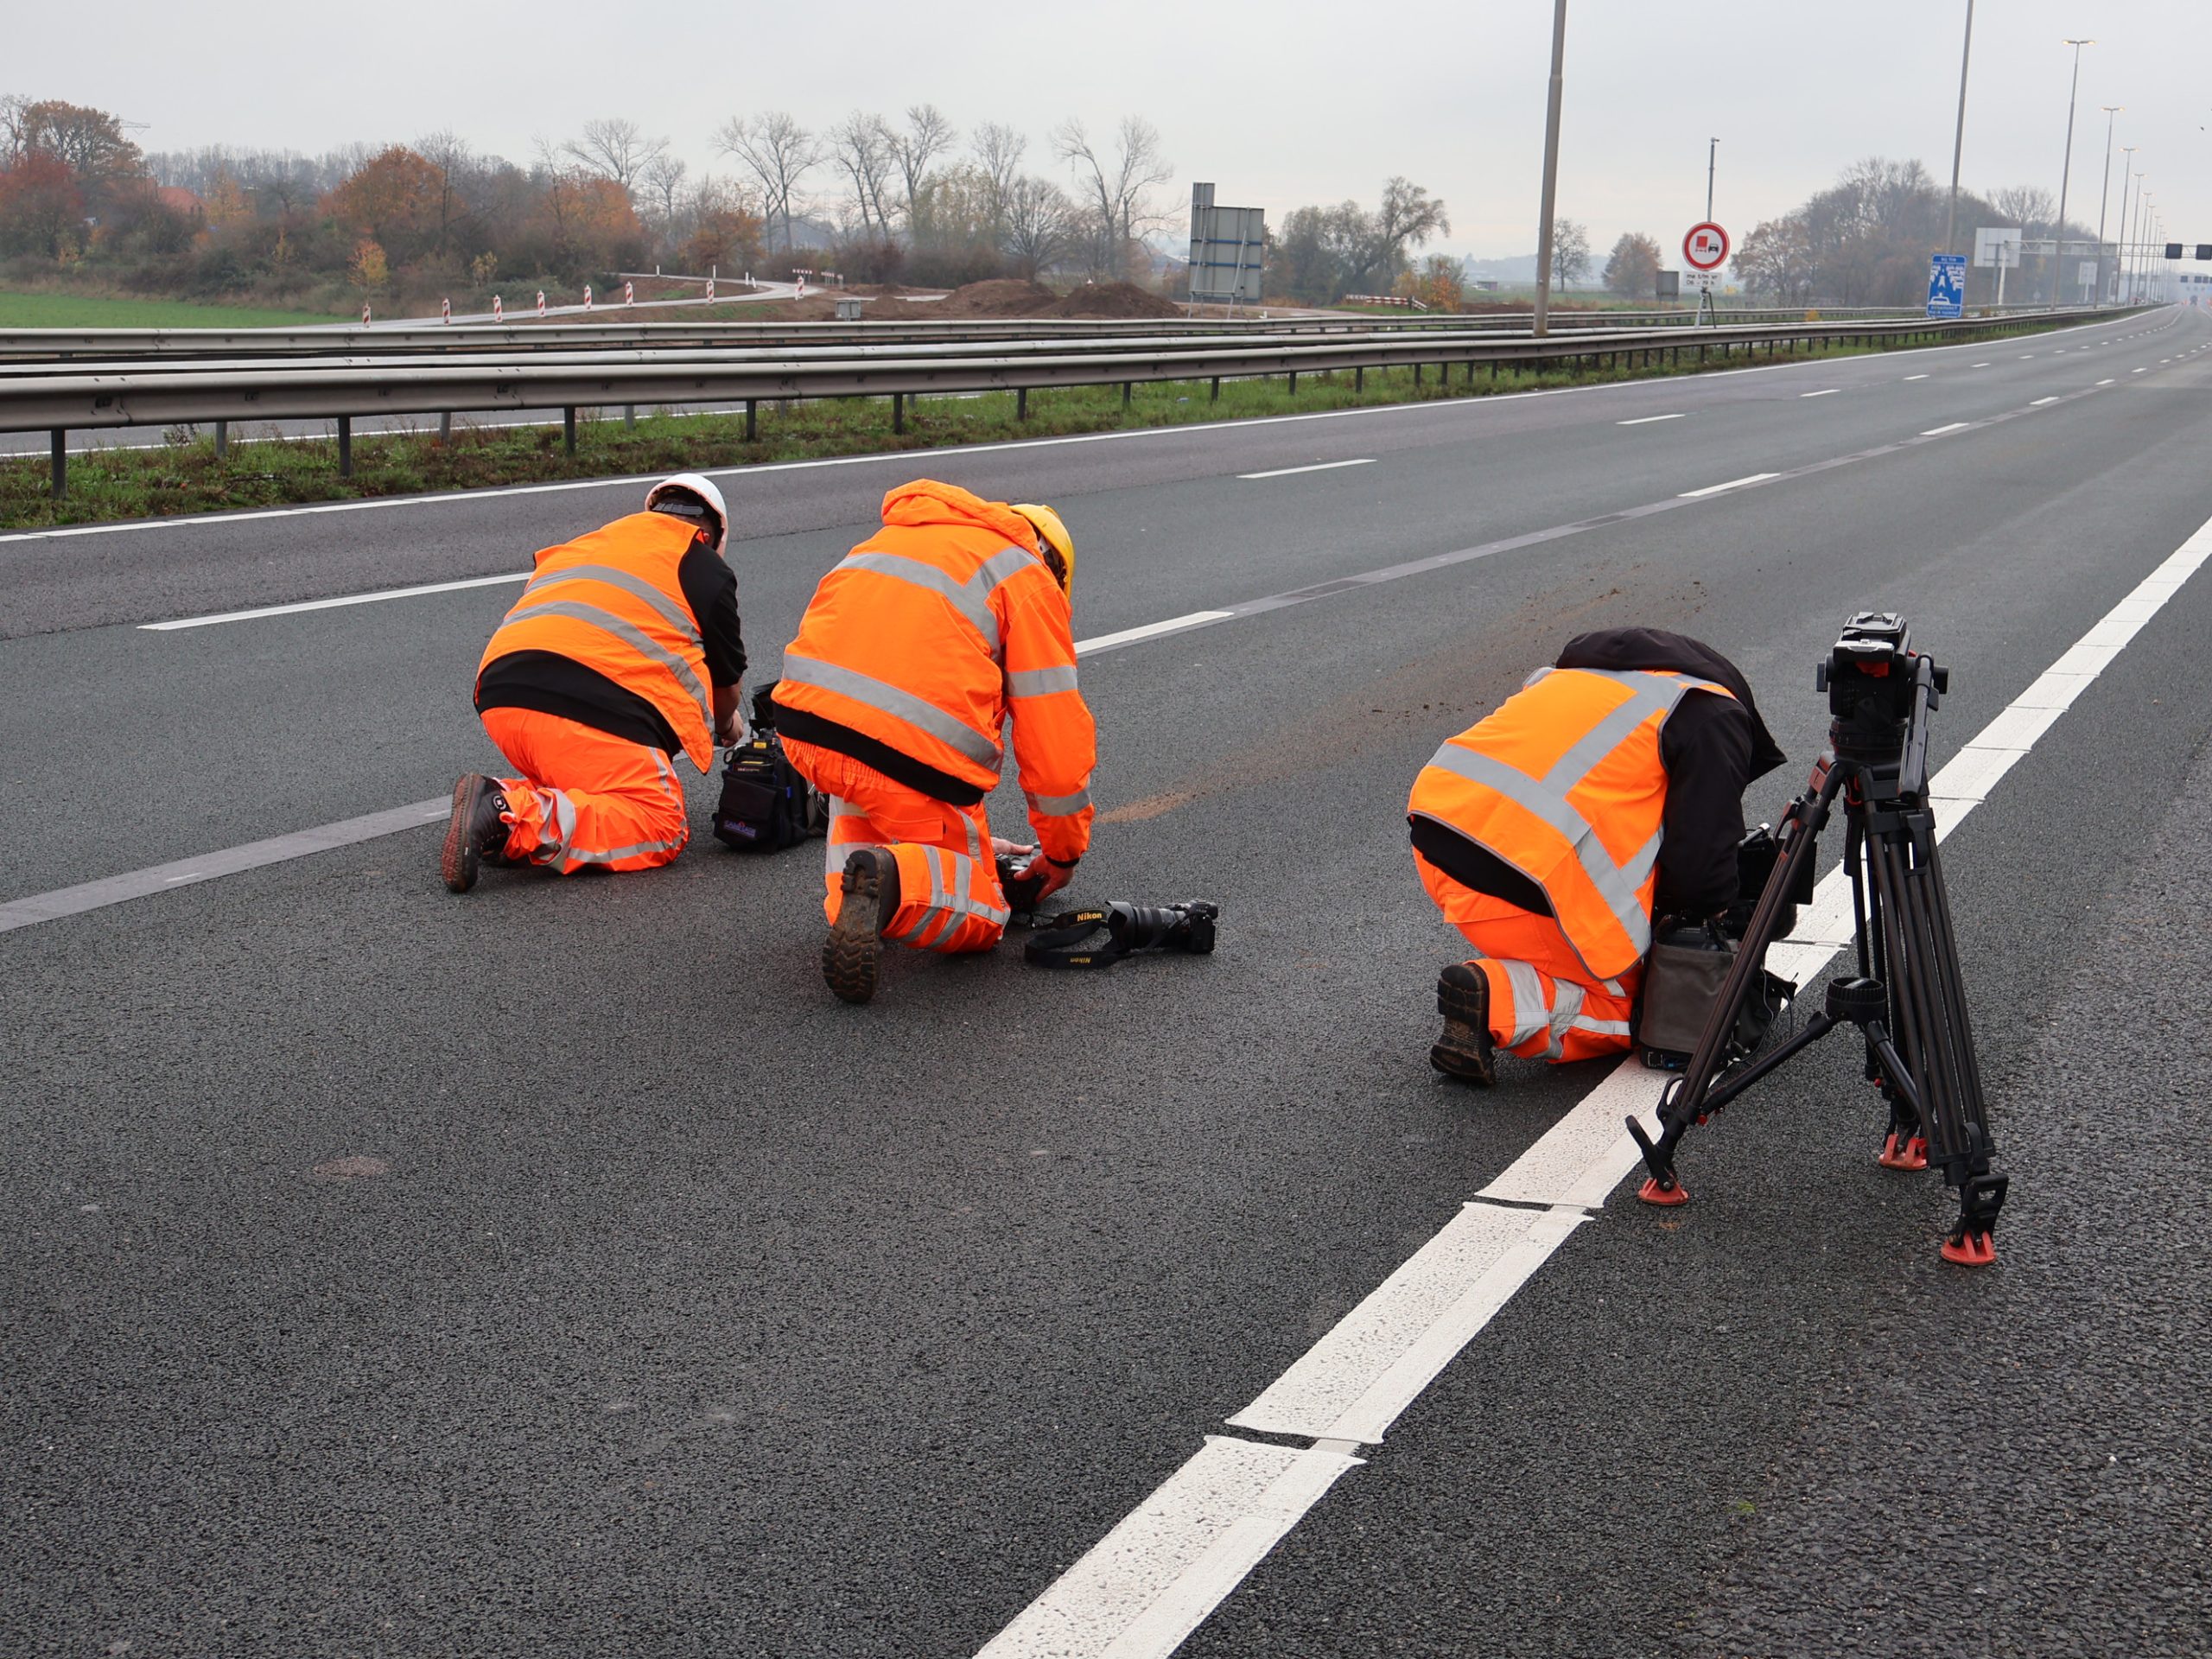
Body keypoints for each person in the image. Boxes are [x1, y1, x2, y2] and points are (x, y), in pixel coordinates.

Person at [1408, 626, 1784, 1083]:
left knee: (1565, 937)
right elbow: (1698, 876)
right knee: (1654, 1006)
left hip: (1438, 847)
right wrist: (1717, 912)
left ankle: (1534, 968)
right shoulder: (1712, 714)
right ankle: (1499, 1001)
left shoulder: (1568, 679)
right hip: (1535, 887)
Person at [771, 480, 1096, 1005]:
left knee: (869, 798)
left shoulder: (890, 541)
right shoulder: (1028, 579)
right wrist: (1061, 853)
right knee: (985, 911)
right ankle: (896, 878)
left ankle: (857, 901)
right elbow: (1056, 750)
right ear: (1057, 570)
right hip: (910, 759)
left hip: (809, 734)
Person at [442, 474, 747, 892]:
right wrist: (728, 727)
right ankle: (508, 811)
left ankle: (499, 811)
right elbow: (727, 688)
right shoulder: (702, 562)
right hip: (590, 705)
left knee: (587, 791)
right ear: (713, 536)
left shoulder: (588, 544)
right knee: (660, 820)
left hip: (500, 694)